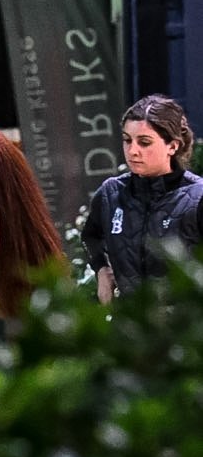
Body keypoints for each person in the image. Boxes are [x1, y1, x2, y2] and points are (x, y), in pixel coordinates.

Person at [82, 94, 203, 302]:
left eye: (144, 142)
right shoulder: (110, 193)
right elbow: (90, 236)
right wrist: (102, 270)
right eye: (127, 140)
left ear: (172, 146)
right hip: (130, 328)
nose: (132, 151)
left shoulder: (198, 196)